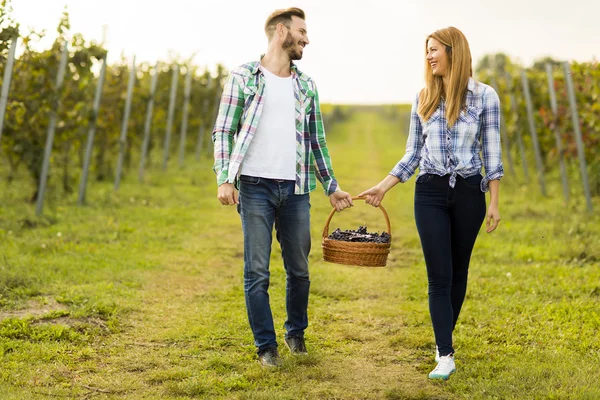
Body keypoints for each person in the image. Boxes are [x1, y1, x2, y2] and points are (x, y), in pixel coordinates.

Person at [212, 7, 353, 368]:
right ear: (280, 32)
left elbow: (316, 140)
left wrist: (331, 186)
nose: (306, 39)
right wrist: (225, 178)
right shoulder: (244, 76)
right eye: (302, 31)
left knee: (300, 269)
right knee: (257, 271)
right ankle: (266, 346)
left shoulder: (305, 85)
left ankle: (296, 333)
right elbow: (224, 131)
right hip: (254, 186)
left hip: (296, 189)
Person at [359, 26, 503, 380]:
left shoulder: (485, 97)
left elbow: (492, 153)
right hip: (430, 193)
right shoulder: (423, 97)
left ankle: (443, 338)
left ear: (454, 52)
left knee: (458, 272)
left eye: (434, 49)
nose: (429, 56)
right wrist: (383, 186)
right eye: (427, 50)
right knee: (438, 276)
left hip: (470, 192)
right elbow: (413, 154)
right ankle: (445, 353)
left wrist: (495, 203)